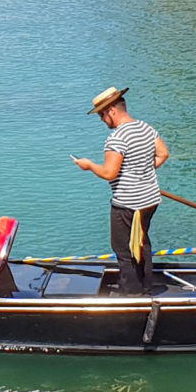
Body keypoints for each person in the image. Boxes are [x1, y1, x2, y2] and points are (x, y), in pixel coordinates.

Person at [73, 87, 168, 294]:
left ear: (112, 111)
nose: (101, 119)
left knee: (124, 249)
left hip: (128, 204)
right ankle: (145, 285)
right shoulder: (145, 128)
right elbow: (163, 154)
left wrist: (88, 165)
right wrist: (141, 170)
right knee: (141, 242)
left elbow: (109, 173)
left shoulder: (116, 139)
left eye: (101, 114)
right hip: (150, 199)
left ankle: (132, 292)